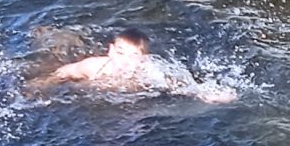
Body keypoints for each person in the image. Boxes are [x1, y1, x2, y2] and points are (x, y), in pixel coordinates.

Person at [26, 28, 237, 104]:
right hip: (92, 89)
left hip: (127, 99)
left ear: (143, 60)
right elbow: (63, 73)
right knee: (51, 63)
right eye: (119, 53)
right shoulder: (94, 67)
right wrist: (41, 85)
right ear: (110, 51)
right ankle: (52, 35)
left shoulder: (150, 73)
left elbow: (181, 85)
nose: (124, 61)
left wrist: (208, 95)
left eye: (133, 56)